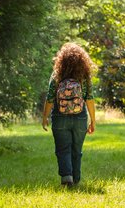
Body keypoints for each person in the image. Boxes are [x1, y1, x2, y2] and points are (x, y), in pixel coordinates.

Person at [42, 42, 96, 187]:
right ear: (82, 60)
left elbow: (50, 97)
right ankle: (76, 179)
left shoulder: (57, 75)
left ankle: (67, 177)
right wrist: (93, 121)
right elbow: (89, 99)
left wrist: (45, 117)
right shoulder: (85, 76)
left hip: (60, 117)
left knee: (63, 149)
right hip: (80, 117)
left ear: (62, 59)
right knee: (76, 150)